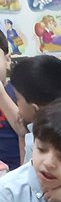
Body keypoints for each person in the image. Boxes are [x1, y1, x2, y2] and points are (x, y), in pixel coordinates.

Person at [0, 33, 23, 172]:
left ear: (7, 60)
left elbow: (27, 131)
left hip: (17, 176)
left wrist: (1, 94)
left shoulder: (21, 94)